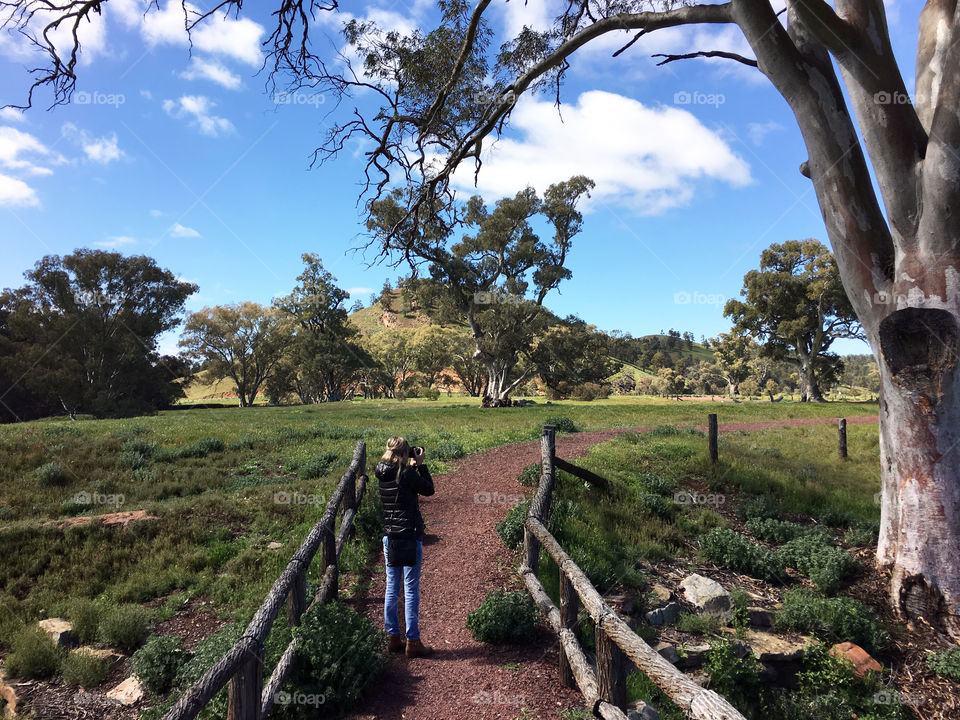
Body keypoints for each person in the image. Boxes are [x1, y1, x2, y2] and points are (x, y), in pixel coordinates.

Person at [375, 436, 435, 658]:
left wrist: (410, 466)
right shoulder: (407, 474)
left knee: (392, 586)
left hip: (389, 536)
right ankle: (413, 641)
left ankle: (393, 638)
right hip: (409, 535)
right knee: (410, 589)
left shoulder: (382, 472)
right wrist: (421, 466)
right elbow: (429, 489)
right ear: (403, 454)